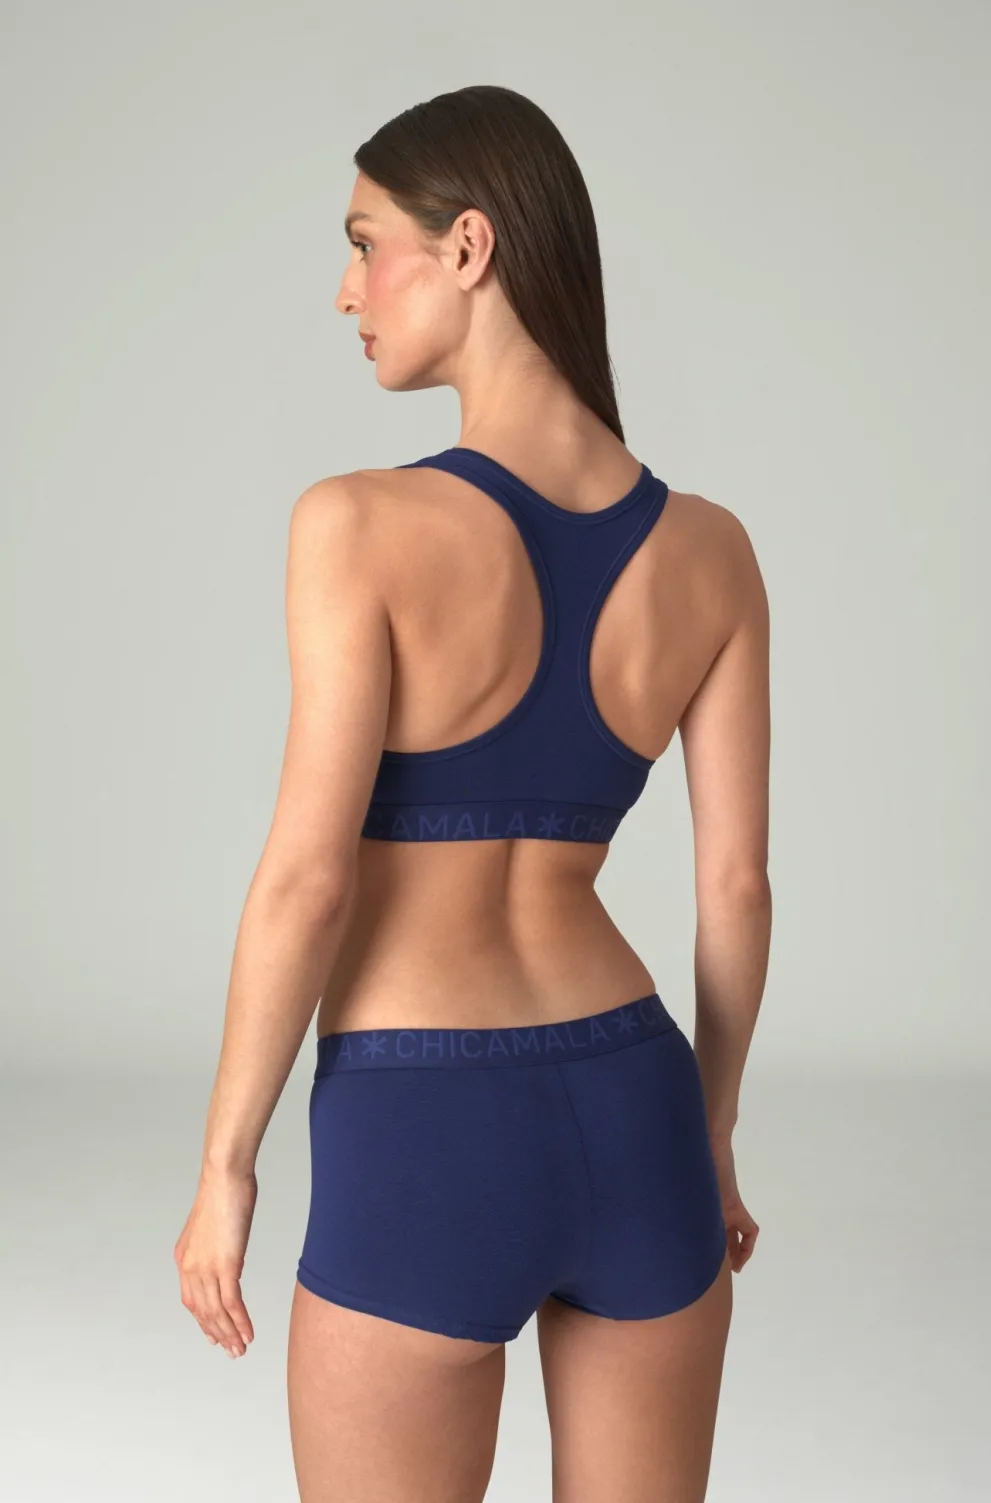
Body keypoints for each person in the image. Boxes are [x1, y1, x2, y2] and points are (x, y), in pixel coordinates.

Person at [173, 83, 770, 1503]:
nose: (346, 290)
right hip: (636, 1098)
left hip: (424, 1123)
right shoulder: (712, 551)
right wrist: (710, 1134)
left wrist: (226, 1163)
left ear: (468, 247)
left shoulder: (357, 524)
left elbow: (309, 879)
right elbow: (737, 889)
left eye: (363, 242)